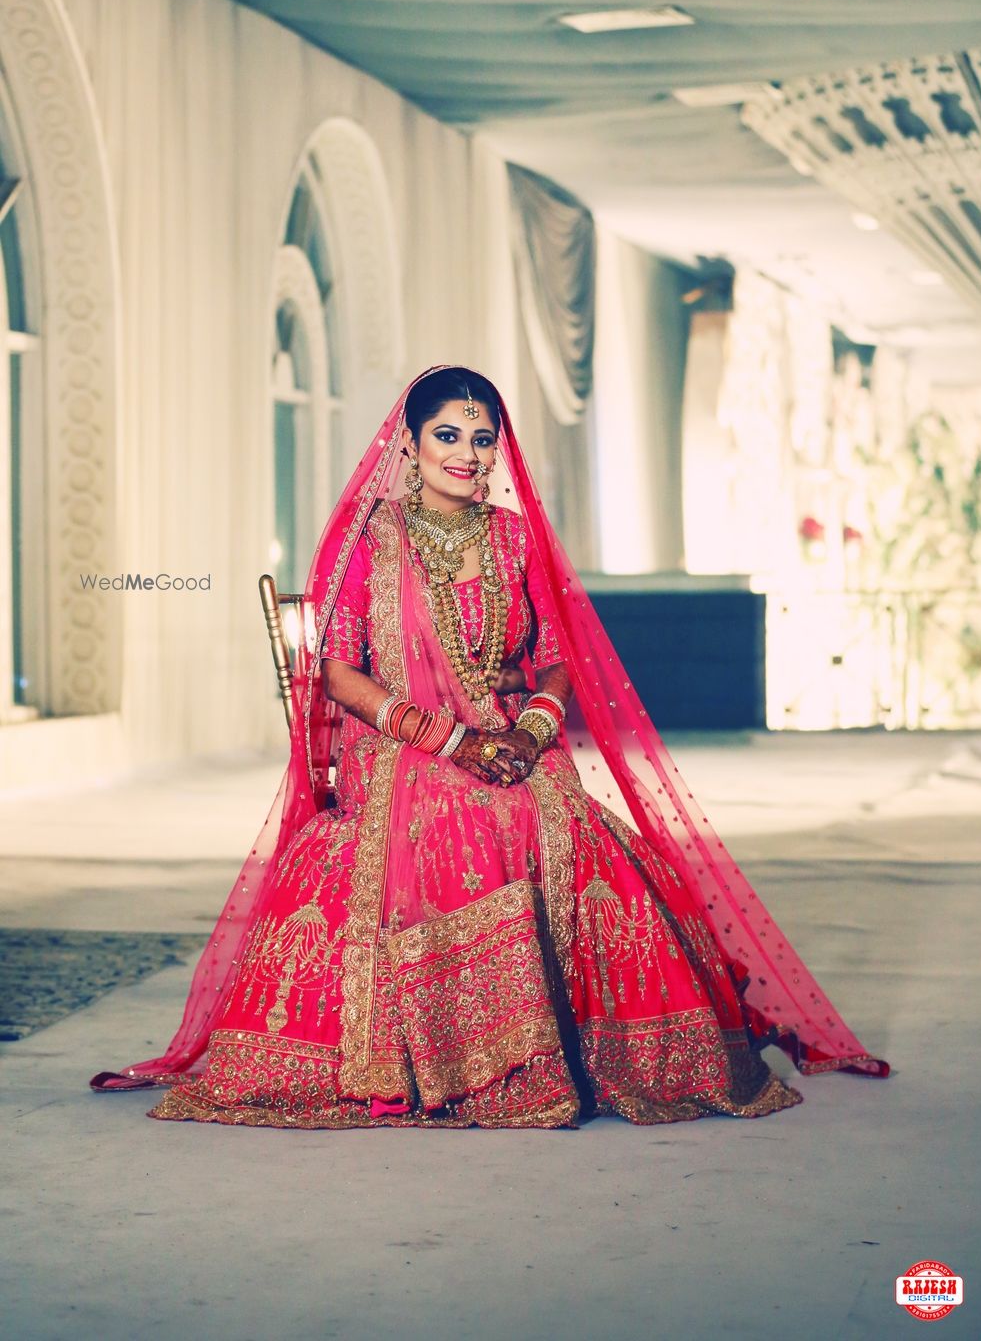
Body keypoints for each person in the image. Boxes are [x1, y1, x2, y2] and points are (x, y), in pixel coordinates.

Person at [91, 366, 889, 1128]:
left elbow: (555, 656)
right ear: (407, 443)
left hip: (508, 736)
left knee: (558, 814)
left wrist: (531, 729)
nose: (468, 455)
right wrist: (451, 739)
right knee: (467, 815)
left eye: (483, 440)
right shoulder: (368, 538)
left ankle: (580, 1051)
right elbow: (337, 673)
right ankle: (473, 1064)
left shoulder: (513, 538)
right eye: (448, 435)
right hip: (404, 745)